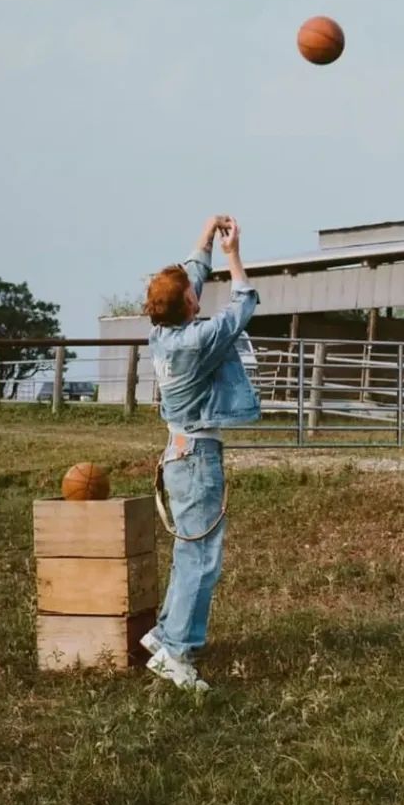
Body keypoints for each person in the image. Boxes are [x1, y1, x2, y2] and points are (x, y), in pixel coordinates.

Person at [140, 215, 260, 691]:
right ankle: (177, 652)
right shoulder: (197, 341)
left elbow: (189, 273)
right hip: (196, 460)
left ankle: (168, 633)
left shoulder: (163, 334)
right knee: (202, 557)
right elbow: (242, 305)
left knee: (188, 552)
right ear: (189, 303)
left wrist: (206, 235)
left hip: (179, 454)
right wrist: (232, 255)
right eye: (193, 292)